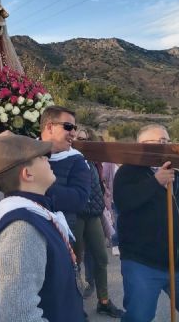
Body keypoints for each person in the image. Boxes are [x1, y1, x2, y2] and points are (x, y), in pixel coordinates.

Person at [114, 124, 179, 322]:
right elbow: (123, 203)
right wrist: (155, 182)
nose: (167, 146)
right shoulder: (127, 172)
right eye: (161, 142)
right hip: (142, 263)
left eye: (168, 141)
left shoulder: (176, 175)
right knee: (139, 317)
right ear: (141, 145)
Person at [0, 133, 85, 322]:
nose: (47, 158)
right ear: (27, 174)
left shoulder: (34, 213)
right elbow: (20, 315)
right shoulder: (21, 229)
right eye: (40, 156)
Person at [71, 128, 123, 317]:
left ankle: (103, 300)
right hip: (76, 215)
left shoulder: (94, 162)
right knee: (75, 260)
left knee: (101, 258)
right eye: (78, 139)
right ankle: (74, 305)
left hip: (93, 215)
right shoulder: (67, 159)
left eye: (85, 139)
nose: (81, 142)